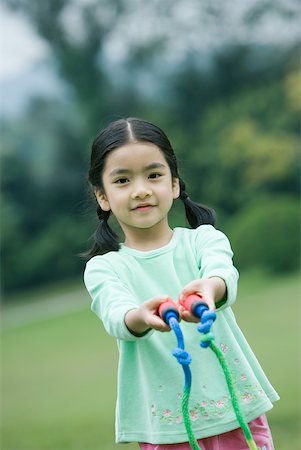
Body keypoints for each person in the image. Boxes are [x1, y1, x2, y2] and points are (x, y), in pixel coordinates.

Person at [83, 117, 279, 449]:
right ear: (102, 196)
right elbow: (117, 314)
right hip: (167, 427)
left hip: (235, 408)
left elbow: (222, 273)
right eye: (122, 180)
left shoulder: (204, 240)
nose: (141, 189)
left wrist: (210, 288)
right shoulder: (105, 268)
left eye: (154, 175)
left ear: (174, 184)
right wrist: (141, 317)